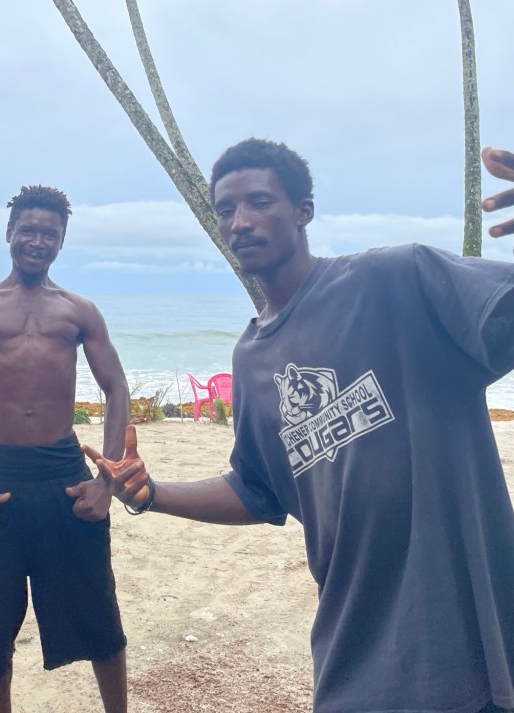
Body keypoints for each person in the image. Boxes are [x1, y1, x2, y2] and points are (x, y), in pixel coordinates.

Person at [86, 143, 514, 713]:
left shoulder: (396, 279)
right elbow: (256, 489)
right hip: (354, 650)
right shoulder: (252, 359)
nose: (240, 221)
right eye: (226, 210)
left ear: (303, 210)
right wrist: (151, 494)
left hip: (467, 644)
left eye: (260, 202)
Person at [0, 185, 130, 713]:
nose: (37, 241)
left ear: (62, 241)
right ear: (9, 233)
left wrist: (106, 481)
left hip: (65, 474)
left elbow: (117, 389)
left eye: (49, 234)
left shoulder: (79, 311)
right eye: (28, 230)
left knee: (99, 618)